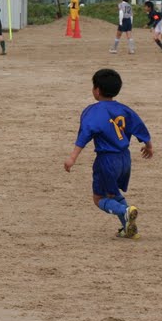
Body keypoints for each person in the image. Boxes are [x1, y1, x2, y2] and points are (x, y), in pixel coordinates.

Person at [64, 68, 153, 239]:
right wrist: (148, 145)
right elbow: (139, 127)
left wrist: (72, 158)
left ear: (97, 90)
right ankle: (128, 228)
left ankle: (125, 211)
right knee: (113, 194)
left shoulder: (92, 111)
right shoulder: (125, 110)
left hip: (106, 160)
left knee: (99, 198)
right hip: (125, 159)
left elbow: (85, 134)